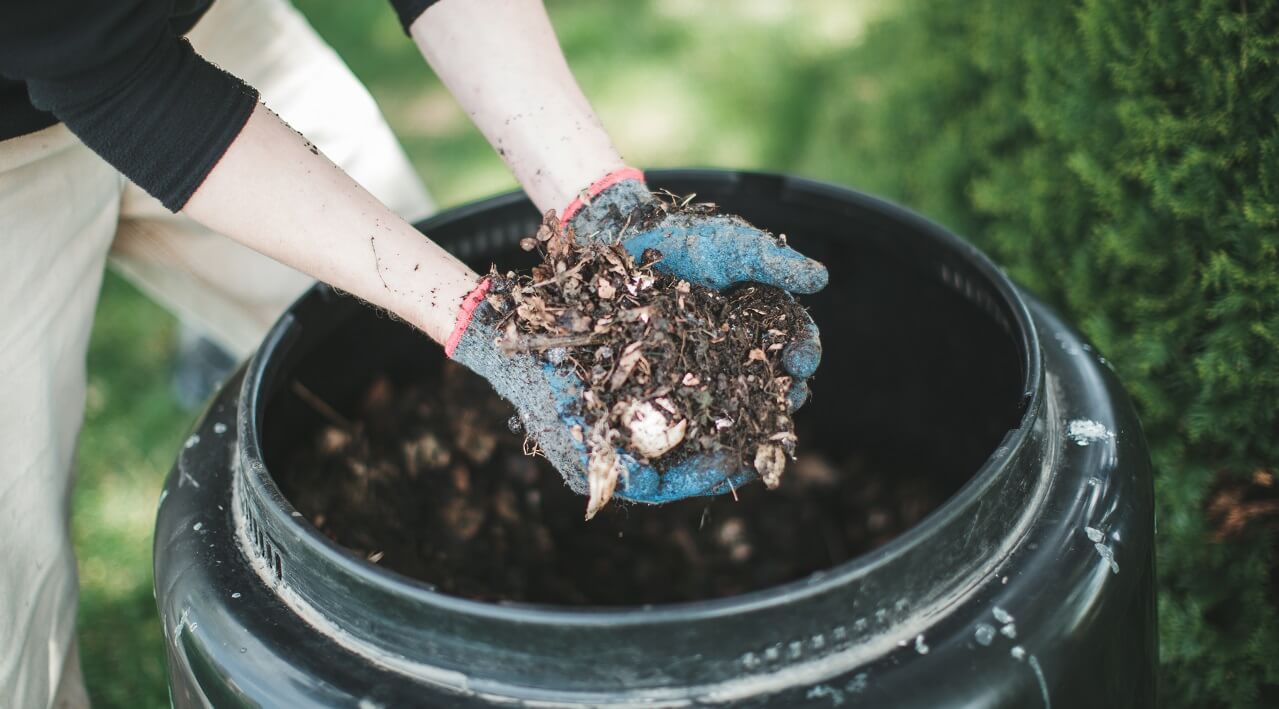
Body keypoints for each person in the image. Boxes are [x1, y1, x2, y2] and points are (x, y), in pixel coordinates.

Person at [0, 0, 827, 704]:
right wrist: (479, 317)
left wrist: (598, 201)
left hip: (184, 31)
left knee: (410, 386)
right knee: (14, 609)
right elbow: (110, 74)